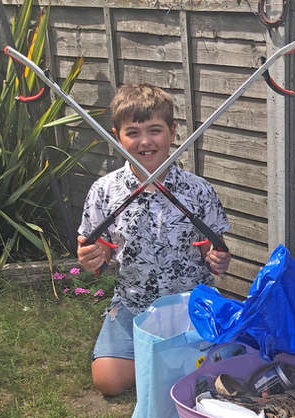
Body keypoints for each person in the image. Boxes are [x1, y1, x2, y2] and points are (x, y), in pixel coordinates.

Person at [77, 84, 230, 396]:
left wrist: (218, 257)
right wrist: (91, 257)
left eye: (155, 130)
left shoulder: (198, 190)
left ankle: (170, 358)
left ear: (172, 132)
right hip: (134, 305)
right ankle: (164, 359)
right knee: (109, 382)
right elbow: (95, 250)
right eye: (132, 132)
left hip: (191, 304)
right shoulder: (104, 191)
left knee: (224, 366)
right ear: (116, 135)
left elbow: (217, 248)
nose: (145, 141)